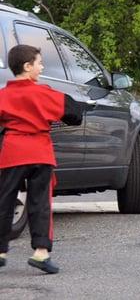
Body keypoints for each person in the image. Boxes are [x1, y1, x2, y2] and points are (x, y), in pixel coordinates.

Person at [0, 44, 84, 274]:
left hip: (12, 152)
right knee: (40, 203)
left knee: (4, 201)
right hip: (39, 152)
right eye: (39, 63)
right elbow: (75, 114)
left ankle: (0, 251)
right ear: (28, 67)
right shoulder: (44, 92)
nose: (42, 66)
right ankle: (40, 252)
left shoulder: (3, 95)